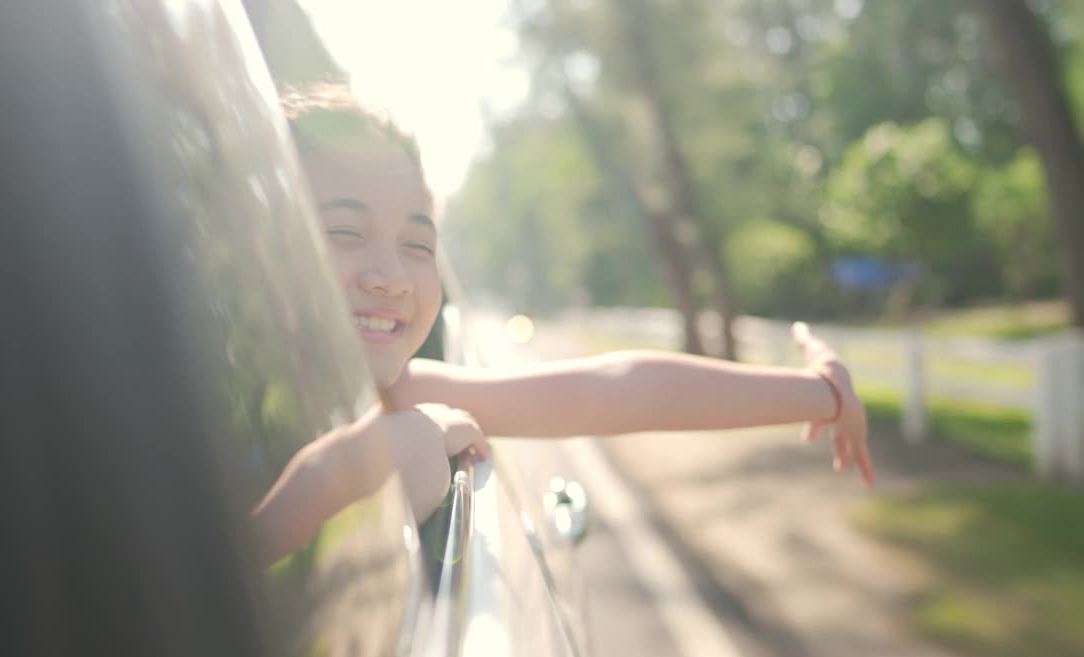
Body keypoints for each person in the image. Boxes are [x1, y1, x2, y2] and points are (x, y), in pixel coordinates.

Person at [253, 84, 871, 562]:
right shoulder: (197, 407)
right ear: (262, 250)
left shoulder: (401, 394)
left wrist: (824, 392)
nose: (391, 275)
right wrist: (352, 466)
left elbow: (622, 392)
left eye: (418, 244)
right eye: (343, 232)